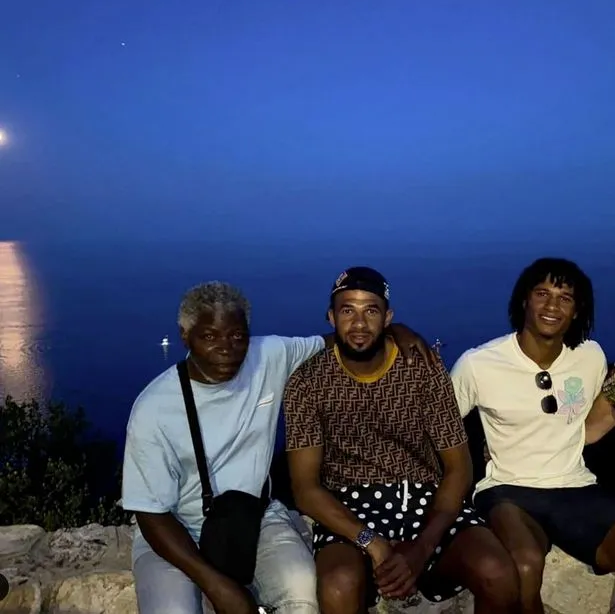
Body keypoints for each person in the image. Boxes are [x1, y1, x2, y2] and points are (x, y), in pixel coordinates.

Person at [121, 280, 435, 614]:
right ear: (186, 336)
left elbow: (335, 341)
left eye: (237, 336)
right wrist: (217, 585)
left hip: (256, 518)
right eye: (209, 336)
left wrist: (392, 331)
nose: (226, 348)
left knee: (302, 594)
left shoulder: (268, 356)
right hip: (174, 530)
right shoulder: (154, 408)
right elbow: (151, 514)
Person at [283, 267, 520, 614]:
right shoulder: (308, 381)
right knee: (338, 584)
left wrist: (422, 547)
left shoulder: (420, 367)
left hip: (426, 500)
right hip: (349, 508)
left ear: (388, 318)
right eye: (348, 310)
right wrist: (374, 543)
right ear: (331, 317)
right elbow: (305, 489)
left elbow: (458, 468)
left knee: (497, 572)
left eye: (371, 310)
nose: (359, 323)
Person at [451, 257, 613, 614]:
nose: (552, 306)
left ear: (577, 310)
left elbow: (598, 413)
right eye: (542, 294)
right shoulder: (479, 364)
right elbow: (440, 427)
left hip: (575, 487)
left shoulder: (591, 356)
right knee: (524, 566)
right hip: (507, 489)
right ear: (524, 300)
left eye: (565, 298)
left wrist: (571, 440)